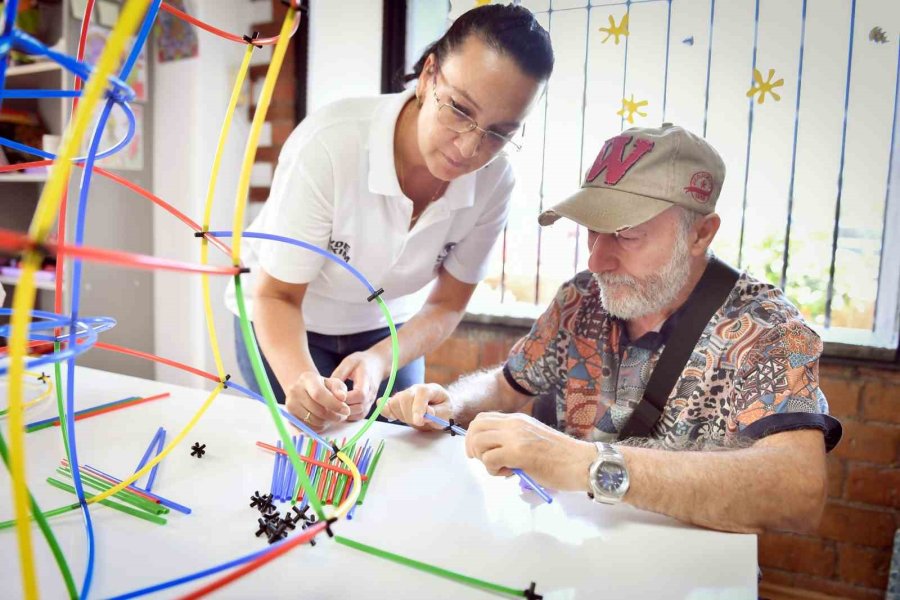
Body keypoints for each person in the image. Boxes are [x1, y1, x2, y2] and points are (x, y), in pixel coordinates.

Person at [382, 124, 842, 534]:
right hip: (572, 545)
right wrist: (451, 403)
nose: (596, 260)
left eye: (625, 234)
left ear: (701, 233)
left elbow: (799, 494)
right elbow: (509, 386)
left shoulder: (767, 327)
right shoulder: (581, 299)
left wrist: (586, 465)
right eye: (592, 232)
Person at [224, 4, 554, 432]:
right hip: (285, 316)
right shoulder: (330, 145)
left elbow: (446, 304)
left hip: (386, 328)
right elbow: (277, 297)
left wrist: (379, 360)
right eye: (459, 109)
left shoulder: (495, 181)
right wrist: (303, 382)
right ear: (429, 74)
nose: (470, 148)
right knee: (308, 446)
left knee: (400, 446)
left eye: (500, 133)